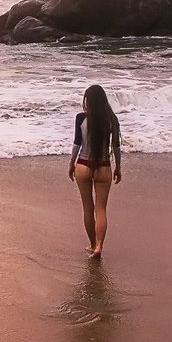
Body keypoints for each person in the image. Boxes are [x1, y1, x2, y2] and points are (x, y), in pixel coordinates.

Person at [68, 84, 122, 257]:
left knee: (87, 207)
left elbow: (77, 143)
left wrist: (71, 164)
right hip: (104, 167)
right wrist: (118, 167)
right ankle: (99, 246)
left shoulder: (80, 118)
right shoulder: (111, 120)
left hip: (83, 165)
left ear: (88, 101)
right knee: (101, 209)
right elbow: (116, 146)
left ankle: (92, 245)